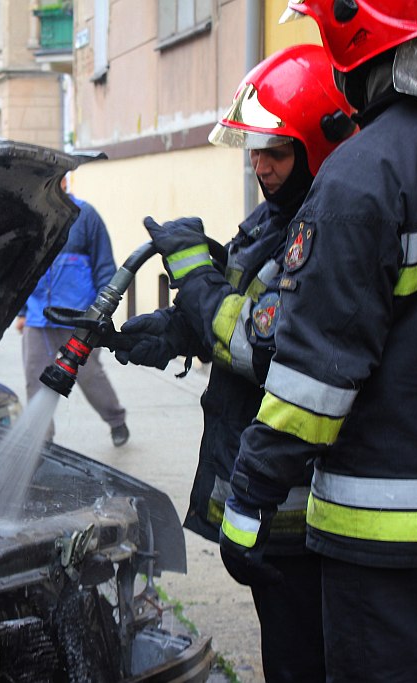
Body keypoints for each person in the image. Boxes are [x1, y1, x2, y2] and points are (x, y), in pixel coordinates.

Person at [149, 1, 417, 680]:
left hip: (393, 528)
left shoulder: (366, 174)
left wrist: (248, 498)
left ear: (352, 37)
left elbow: (314, 377)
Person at [113, 44, 355, 682]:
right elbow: (243, 303)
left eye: (277, 151)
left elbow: (263, 346)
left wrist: (193, 273)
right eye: (254, 150)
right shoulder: (276, 217)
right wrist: (173, 333)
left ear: (317, 147)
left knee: (303, 661)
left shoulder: (325, 229)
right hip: (265, 496)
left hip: (299, 509)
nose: (260, 165)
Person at [17, 176, 130, 446]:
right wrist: (21, 311)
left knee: (90, 377)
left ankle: (116, 420)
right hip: (39, 318)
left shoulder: (86, 216)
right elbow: (21, 268)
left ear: (65, 181)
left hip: (79, 319)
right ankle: (42, 441)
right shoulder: (31, 217)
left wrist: (102, 313)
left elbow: (104, 267)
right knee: (35, 379)